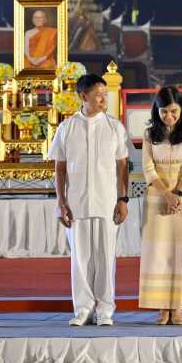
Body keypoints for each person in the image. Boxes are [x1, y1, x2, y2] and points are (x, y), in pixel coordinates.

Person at [50, 74, 131, 326]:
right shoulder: (67, 128)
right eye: (97, 95)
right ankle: (83, 309)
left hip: (107, 202)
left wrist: (123, 199)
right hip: (77, 204)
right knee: (80, 259)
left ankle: (105, 310)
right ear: (83, 96)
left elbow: (122, 166)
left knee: (105, 259)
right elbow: (60, 168)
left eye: (105, 94)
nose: (103, 99)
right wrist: (61, 202)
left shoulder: (114, 127)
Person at [138, 87, 182, 325]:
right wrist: (166, 195)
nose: (169, 116)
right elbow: (148, 168)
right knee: (160, 252)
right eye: (164, 111)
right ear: (156, 110)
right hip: (158, 197)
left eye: (174, 111)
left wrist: (178, 194)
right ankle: (162, 306)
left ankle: (178, 306)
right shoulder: (149, 134)